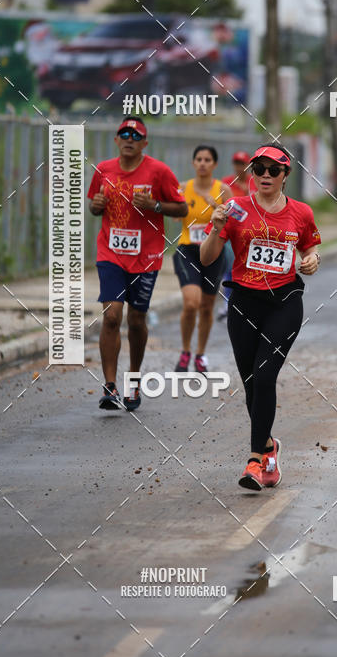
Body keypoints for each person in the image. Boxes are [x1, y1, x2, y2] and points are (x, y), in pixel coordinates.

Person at [200, 144, 321, 491]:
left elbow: (310, 247)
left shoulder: (301, 212)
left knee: (266, 376)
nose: (265, 175)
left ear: (286, 175)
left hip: (284, 301)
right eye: (259, 169)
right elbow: (208, 260)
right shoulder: (235, 209)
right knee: (252, 384)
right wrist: (213, 229)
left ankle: (255, 461)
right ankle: (270, 447)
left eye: (274, 169)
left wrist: (312, 260)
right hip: (243, 303)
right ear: (251, 173)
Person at [87, 117, 187, 411]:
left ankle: (133, 381)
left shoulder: (159, 172)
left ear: (144, 143)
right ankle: (109, 386)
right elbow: (95, 203)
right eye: (124, 134)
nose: (129, 138)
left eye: (136, 135)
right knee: (111, 316)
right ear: (117, 140)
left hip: (147, 256)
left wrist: (155, 206)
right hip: (111, 253)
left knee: (136, 320)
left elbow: (182, 208)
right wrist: (96, 207)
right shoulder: (104, 169)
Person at [174, 145, 232, 372]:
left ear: (215, 164)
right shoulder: (182, 188)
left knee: (207, 306)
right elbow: (172, 212)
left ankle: (200, 354)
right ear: (193, 162)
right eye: (198, 159)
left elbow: (233, 221)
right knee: (191, 303)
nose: (202, 163)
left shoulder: (223, 190)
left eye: (207, 159)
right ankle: (185, 351)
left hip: (213, 252)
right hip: (187, 249)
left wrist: (216, 206)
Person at [217, 151, 256, 320]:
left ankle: (248, 302)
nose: (239, 167)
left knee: (249, 266)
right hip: (231, 231)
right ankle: (228, 301)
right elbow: (222, 206)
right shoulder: (226, 183)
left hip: (251, 231)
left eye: (242, 163)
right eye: (236, 163)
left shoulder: (253, 183)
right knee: (230, 266)